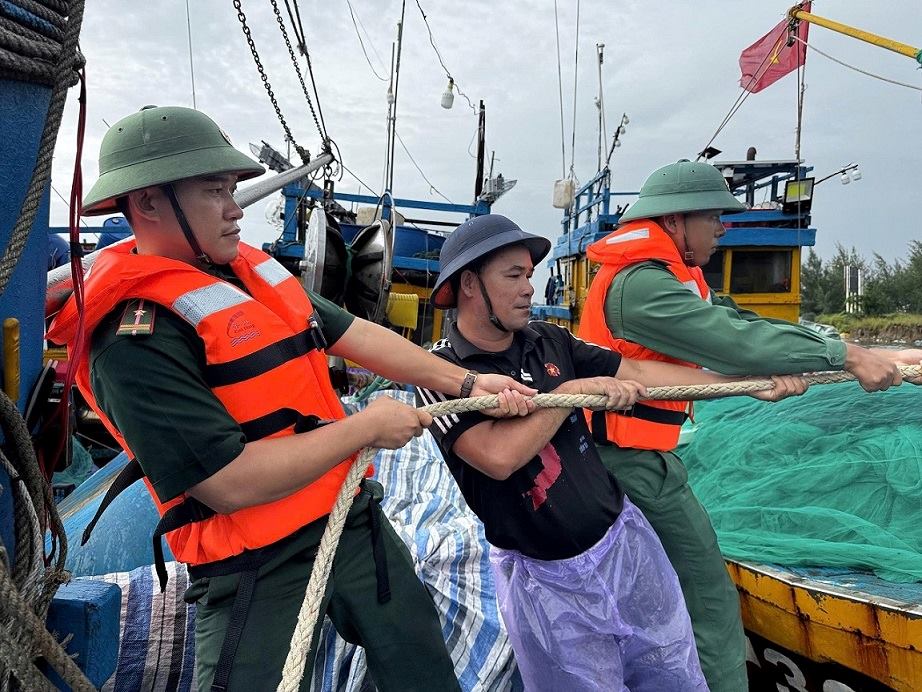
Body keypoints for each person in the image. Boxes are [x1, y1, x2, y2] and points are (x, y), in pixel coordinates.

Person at [47, 106, 535, 691]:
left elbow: (353, 332)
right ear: (148, 204)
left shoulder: (250, 274)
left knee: (417, 655)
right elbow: (228, 483)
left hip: (348, 516)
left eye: (232, 189)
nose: (237, 208)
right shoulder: (133, 341)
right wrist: (364, 429)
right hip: (256, 562)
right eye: (215, 192)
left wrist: (465, 383)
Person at [415, 213, 806, 691]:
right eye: (513, 276)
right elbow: (497, 458)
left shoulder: (549, 339)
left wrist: (744, 386)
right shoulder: (439, 374)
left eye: (529, 275)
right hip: (546, 584)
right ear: (469, 284)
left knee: (673, 672)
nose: (528, 289)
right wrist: (573, 391)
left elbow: (637, 373)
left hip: (623, 546)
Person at [577, 159, 922, 692]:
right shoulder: (641, 285)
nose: (722, 228)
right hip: (630, 464)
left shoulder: (666, 276)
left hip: (637, 455)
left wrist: (868, 351)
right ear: (676, 221)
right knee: (710, 599)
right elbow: (733, 343)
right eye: (714, 216)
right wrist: (844, 355)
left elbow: (741, 324)